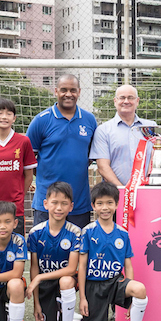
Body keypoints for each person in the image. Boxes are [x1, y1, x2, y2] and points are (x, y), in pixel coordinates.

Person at [78, 182, 149, 321]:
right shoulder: (87, 231)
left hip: (115, 282)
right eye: (100, 203)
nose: (105, 207)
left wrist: (130, 298)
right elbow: (81, 267)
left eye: (110, 203)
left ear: (117, 204)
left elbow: (128, 265)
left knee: (140, 289)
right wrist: (82, 298)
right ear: (93, 206)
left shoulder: (123, 233)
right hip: (93, 286)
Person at [27, 74, 97, 228]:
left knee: (78, 250)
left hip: (78, 202)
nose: (68, 94)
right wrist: (46, 175)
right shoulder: (41, 120)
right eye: (64, 90)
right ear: (56, 91)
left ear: (79, 92)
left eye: (73, 90)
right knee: (44, 249)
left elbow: (92, 154)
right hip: (47, 202)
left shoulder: (89, 120)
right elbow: (28, 158)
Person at [26, 182, 82, 321]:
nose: (59, 207)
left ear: (71, 207)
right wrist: (36, 303)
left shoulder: (75, 232)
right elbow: (34, 269)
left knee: (66, 280)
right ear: (45, 204)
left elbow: (72, 269)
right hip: (45, 286)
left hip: (65, 281)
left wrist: (39, 278)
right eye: (54, 202)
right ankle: (57, 309)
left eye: (64, 203)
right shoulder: (35, 233)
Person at [0, 98, 37, 241]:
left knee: (14, 251)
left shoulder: (23, 142)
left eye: (9, 113)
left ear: (14, 118)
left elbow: (29, 175)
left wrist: (19, 195)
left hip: (14, 207)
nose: (4, 116)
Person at [90, 85, 156, 186]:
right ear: (115, 101)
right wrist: (123, 190)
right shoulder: (103, 131)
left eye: (130, 98)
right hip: (116, 194)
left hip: (146, 190)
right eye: (122, 98)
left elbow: (156, 159)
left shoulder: (151, 127)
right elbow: (103, 167)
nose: (126, 101)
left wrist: (145, 186)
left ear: (137, 101)